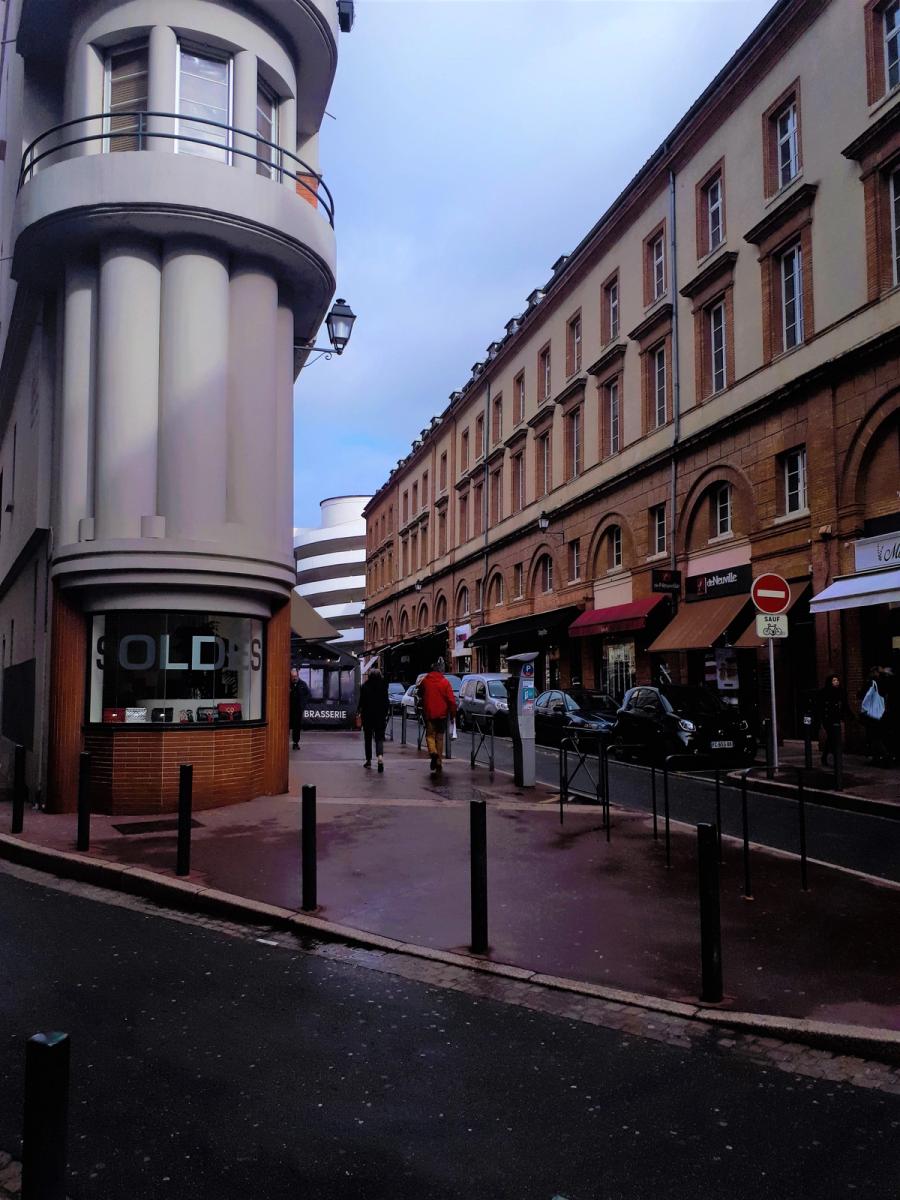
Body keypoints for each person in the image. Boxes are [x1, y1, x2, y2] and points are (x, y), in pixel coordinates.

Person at [418, 660, 457, 776]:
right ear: (441, 670)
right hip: (442, 714)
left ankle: (433, 752)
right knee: (440, 737)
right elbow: (451, 701)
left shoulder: (425, 681)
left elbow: (419, 692)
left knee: (430, 736)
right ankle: (439, 761)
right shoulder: (445, 682)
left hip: (429, 713)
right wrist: (453, 715)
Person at [359, 665, 389, 772]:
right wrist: (385, 713)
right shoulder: (383, 686)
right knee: (379, 738)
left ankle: (368, 760)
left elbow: (361, 702)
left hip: (367, 716)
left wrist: (359, 712)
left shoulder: (364, 686)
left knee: (368, 738)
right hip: (380, 716)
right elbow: (386, 702)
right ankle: (380, 757)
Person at [816, 673, 846, 768]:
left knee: (831, 738)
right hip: (827, 718)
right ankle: (836, 757)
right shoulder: (824, 692)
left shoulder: (841, 692)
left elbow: (844, 705)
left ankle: (825, 756)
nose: (836, 682)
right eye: (834, 680)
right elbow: (819, 706)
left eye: (837, 680)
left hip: (836, 717)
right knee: (833, 737)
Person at [289, 667, 309, 751]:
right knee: (287, 726)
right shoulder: (288, 684)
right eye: (293, 676)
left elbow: (307, 695)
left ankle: (295, 743)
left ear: (298, 675)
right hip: (289, 709)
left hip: (298, 710)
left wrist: (303, 705)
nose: (294, 678)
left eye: (295, 676)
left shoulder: (303, 684)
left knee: (297, 727)